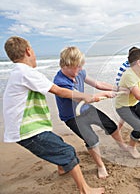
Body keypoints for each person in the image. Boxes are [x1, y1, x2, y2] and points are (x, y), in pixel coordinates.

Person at [3, 36, 104, 194]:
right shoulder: (26, 72)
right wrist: (85, 96)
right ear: (28, 51)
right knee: (68, 152)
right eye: (34, 50)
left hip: (28, 127)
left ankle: (62, 169)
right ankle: (85, 190)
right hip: (26, 130)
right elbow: (59, 90)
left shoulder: (20, 73)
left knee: (58, 142)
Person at [54, 46, 128, 179]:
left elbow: (98, 83)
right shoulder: (60, 82)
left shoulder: (79, 72)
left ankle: (123, 146)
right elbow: (79, 97)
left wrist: (119, 88)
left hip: (86, 109)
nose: (81, 69)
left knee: (110, 125)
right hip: (73, 116)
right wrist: (102, 94)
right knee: (92, 139)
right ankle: (100, 166)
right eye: (78, 66)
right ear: (67, 65)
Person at [115, 46, 139, 129]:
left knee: (137, 108)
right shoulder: (125, 66)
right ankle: (119, 128)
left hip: (134, 92)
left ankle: (137, 127)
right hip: (126, 92)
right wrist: (123, 89)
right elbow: (118, 79)